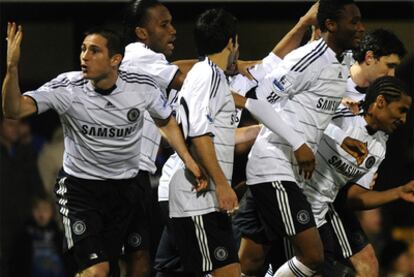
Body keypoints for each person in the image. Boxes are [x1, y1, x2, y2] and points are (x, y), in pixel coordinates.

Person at [2, 23, 206, 277]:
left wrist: (188, 160)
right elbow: (14, 110)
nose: (85, 57)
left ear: (115, 60)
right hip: (81, 190)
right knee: (99, 271)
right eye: (83, 49)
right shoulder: (68, 88)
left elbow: (165, 120)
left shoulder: (141, 87)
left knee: (140, 264)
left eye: (94, 51)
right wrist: (11, 68)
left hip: (127, 189)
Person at [241, 0, 365, 276]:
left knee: (250, 261)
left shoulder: (342, 61)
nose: (361, 27)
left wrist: (338, 137)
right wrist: (298, 144)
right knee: (312, 256)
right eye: (354, 21)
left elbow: (309, 114)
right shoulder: (308, 58)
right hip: (274, 165)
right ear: (330, 25)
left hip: (291, 172)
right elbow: (258, 101)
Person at [300, 76, 413, 276]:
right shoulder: (342, 114)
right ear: (380, 102)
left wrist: (398, 192)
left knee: (361, 267)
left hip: (321, 209)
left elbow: (354, 197)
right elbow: (301, 118)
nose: (403, 120)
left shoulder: (379, 147)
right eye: (401, 110)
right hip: (292, 194)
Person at [10, 196, 67, 277]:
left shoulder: (60, 237)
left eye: (45, 209)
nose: (41, 213)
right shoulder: (23, 238)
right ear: (31, 211)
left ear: (52, 213)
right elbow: (15, 265)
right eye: (37, 209)